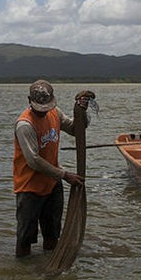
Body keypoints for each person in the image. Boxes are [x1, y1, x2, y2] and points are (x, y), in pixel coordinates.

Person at [13, 79, 92, 258]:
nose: (43, 112)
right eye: (40, 108)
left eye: (47, 107)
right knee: (25, 239)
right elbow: (33, 160)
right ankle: (24, 276)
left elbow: (75, 129)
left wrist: (81, 112)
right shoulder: (25, 125)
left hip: (52, 185)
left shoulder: (54, 113)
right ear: (29, 101)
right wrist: (64, 175)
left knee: (52, 233)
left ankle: (50, 263)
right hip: (29, 188)